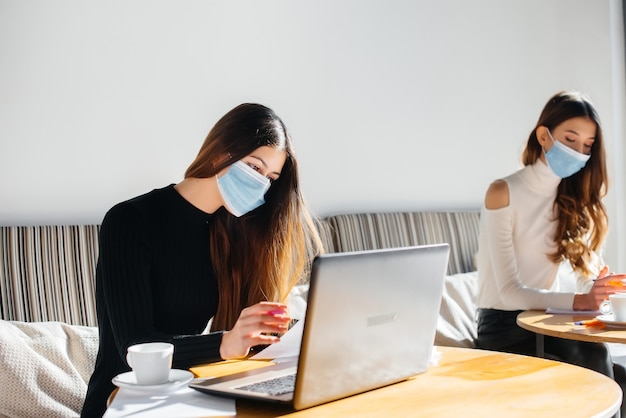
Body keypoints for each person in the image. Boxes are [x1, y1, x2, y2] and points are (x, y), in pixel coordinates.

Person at [81, 103, 324, 417]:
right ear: (220, 152)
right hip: (123, 401)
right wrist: (224, 344)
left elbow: (242, 334)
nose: (261, 184)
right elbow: (134, 346)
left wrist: (287, 334)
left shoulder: (233, 232)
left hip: (188, 396)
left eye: (271, 178)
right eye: (254, 167)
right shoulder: (129, 220)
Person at [475, 90, 626, 413]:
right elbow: (508, 291)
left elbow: (582, 279)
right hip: (504, 327)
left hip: (549, 321)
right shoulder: (503, 191)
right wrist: (580, 302)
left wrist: (598, 290)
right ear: (544, 136)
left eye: (587, 145)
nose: (580, 152)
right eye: (570, 140)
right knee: (593, 359)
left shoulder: (573, 201)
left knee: (616, 380)